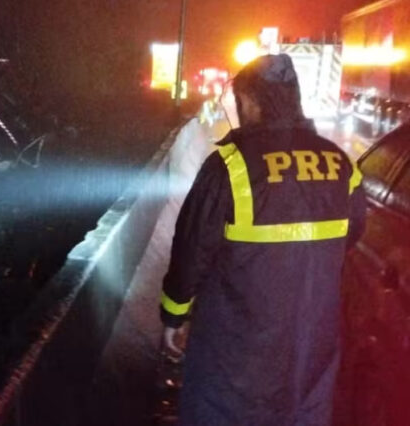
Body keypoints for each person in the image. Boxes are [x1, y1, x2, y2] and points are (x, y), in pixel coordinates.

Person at [159, 54, 367, 425]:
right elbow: (351, 236)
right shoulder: (341, 165)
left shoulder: (230, 166)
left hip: (234, 358)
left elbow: (191, 249)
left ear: (251, 101)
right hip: (311, 352)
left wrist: (173, 316)